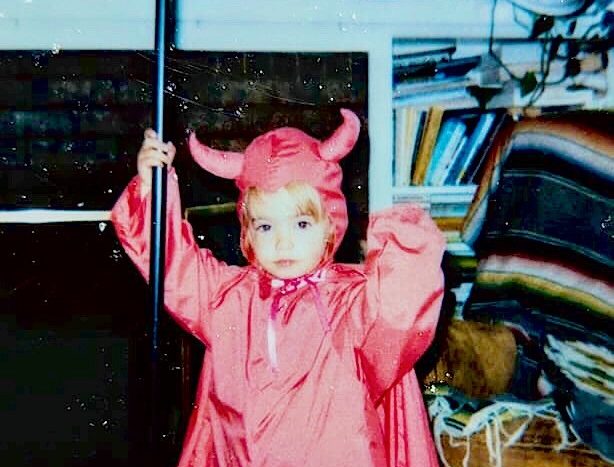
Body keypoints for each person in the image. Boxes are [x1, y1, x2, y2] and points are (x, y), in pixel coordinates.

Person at [111, 108, 445, 466]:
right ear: (248, 231)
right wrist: (152, 188)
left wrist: (407, 249)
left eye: (301, 224)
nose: (283, 243)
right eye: (266, 227)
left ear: (330, 223)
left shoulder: (353, 300)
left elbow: (399, 321)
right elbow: (173, 265)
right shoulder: (229, 299)